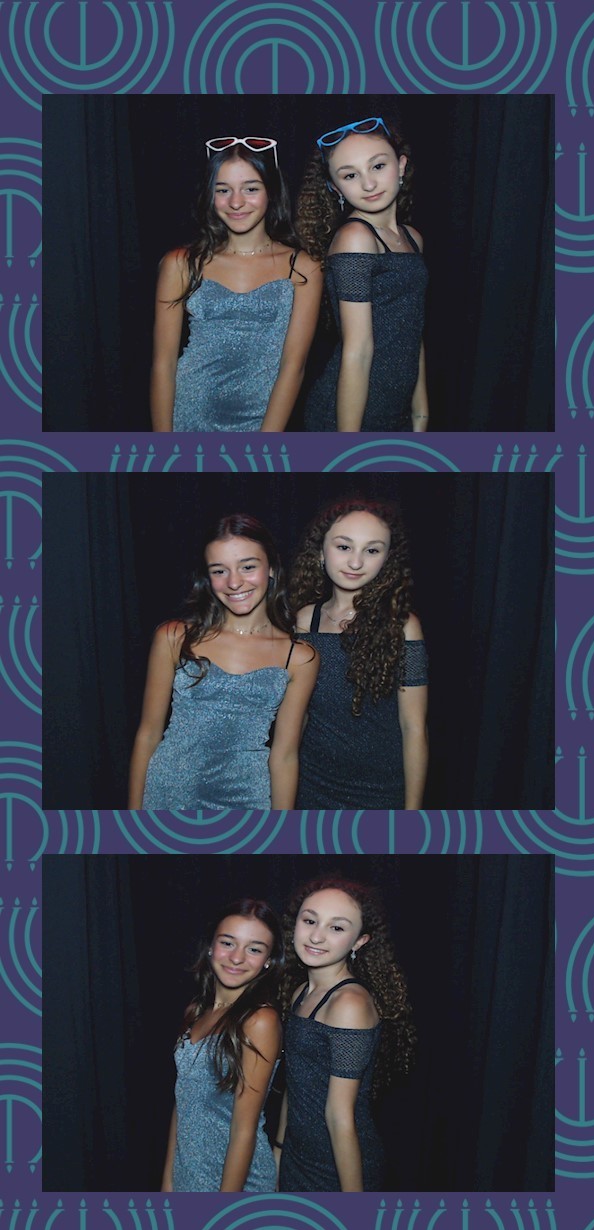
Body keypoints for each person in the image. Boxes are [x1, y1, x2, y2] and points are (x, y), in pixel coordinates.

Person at [128, 514, 320, 811]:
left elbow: (284, 756)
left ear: (271, 568)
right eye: (220, 571)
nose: (234, 582)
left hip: (248, 801)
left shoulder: (299, 657)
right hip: (168, 797)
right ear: (207, 577)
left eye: (248, 567)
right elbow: (148, 735)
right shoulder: (174, 637)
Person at [150, 137, 322, 432]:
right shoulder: (180, 263)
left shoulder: (303, 267)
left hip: (263, 423)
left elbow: (293, 366)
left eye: (251, 188)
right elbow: (163, 364)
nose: (236, 202)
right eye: (223, 190)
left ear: (271, 191)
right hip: (188, 419)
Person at [275, 877, 416, 1192]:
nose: (317, 935)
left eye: (336, 927)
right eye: (310, 920)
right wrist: (279, 1150)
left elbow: (340, 1115)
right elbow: (294, 1085)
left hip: (337, 1170)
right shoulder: (300, 992)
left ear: (359, 942)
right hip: (297, 1158)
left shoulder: (349, 1003)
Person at [288, 497, 428, 809]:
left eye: (372, 550)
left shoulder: (403, 626)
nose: (355, 562)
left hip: (380, 793)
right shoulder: (305, 620)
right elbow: (297, 720)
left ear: (387, 560)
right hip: (311, 787)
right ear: (321, 551)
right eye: (344, 547)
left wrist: (413, 812)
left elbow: (414, 728)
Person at [297, 116, 428, 432]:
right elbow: (358, 351)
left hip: (396, 410)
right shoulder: (355, 238)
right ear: (335, 187)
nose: (368, 184)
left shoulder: (412, 237)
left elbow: (412, 332)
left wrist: (421, 413)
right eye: (350, 175)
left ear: (401, 166)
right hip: (352, 416)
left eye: (378, 166)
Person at [162, 898, 282, 1194]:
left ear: (268, 960)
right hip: (188, 1176)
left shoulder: (260, 1021)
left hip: (236, 1185)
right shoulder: (195, 1011)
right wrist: (168, 1182)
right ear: (210, 947)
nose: (237, 958)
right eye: (228, 943)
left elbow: (244, 1129)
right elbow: (183, 1102)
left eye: (254, 949)